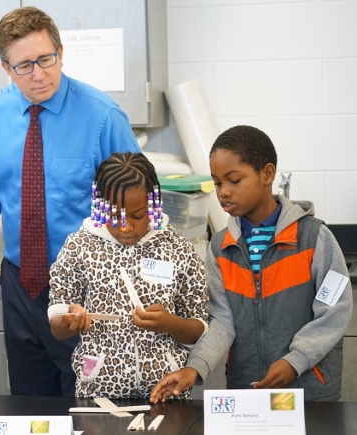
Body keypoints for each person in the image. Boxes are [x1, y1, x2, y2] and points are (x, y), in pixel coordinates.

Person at [0, 6, 141, 396]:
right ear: (6, 68)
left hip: (87, 287)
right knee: (31, 404)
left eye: (46, 59)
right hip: (21, 282)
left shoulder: (103, 117)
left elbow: (138, 205)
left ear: (61, 51)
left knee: (92, 403)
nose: (38, 74)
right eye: (24, 65)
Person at [150, 125, 352, 403]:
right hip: (249, 391)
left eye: (234, 180)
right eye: (217, 182)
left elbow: (334, 309)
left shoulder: (315, 238)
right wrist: (194, 368)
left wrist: (296, 360)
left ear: (267, 174)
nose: (223, 192)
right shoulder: (220, 248)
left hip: (308, 391)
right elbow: (222, 321)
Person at [48, 152, 208, 399]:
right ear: (99, 206)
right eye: (114, 215)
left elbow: (199, 327)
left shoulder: (178, 249)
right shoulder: (78, 247)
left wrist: (170, 323)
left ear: (154, 206)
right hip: (98, 393)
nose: (126, 227)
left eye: (137, 215)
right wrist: (69, 321)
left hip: (166, 395)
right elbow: (57, 325)